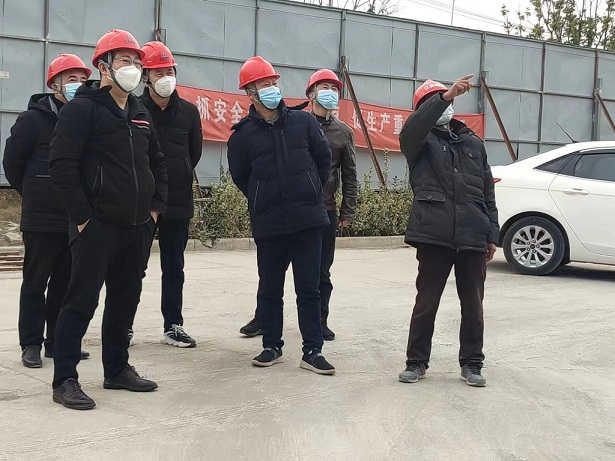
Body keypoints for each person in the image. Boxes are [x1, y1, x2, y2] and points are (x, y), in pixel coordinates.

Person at [48, 29, 167, 410]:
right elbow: (61, 166)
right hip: (96, 225)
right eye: (124, 61)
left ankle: (116, 369)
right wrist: (83, 217)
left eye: (136, 63)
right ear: (103, 67)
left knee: (124, 300)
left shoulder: (140, 112)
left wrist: (154, 211)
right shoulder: (82, 110)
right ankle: (65, 378)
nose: (133, 69)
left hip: (137, 226)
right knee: (80, 302)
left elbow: (157, 162)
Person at [227, 56, 335, 375]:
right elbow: (241, 177)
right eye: (264, 84)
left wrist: (309, 189)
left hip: (307, 221)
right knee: (270, 289)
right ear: (250, 92)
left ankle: (313, 350)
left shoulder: (304, 123)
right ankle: (271, 346)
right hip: (270, 223)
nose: (272, 88)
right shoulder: (242, 136)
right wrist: (264, 197)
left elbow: (323, 160)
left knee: (309, 289)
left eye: (273, 82)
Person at [239, 69, 357, 341]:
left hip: (323, 210)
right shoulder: (294, 123)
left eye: (334, 88)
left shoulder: (343, 132)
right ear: (311, 93)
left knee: (320, 272)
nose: (330, 92)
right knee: (272, 272)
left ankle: (320, 320)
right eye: (324, 87)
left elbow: (349, 173)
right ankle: (262, 318)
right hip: (286, 209)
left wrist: (347, 210)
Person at [397, 75, 499, 387]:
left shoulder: (473, 143)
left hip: (472, 234)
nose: (445, 104)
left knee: (473, 306)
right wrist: (442, 97)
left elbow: (487, 192)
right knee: (426, 304)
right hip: (434, 235)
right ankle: (416, 362)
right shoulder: (418, 142)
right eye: (433, 102)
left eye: (447, 100)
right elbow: (412, 129)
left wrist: (492, 234)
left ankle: (472, 363)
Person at [3, 54, 92, 368]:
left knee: (65, 284)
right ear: (55, 84)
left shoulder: (85, 119)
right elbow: (12, 163)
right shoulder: (32, 120)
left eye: (83, 80)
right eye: (71, 79)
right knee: (35, 283)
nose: (78, 85)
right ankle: (31, 343)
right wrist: (33, 192)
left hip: (74, 216)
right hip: (41, 217)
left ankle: (57, 341)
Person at [132, 41, 202, 348]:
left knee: (174, 267)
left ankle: (173, 325)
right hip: (141, 202)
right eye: (158, 72)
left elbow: (194, 153)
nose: (165, 78)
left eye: (169, 71)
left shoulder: (188, 112)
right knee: (133, 267)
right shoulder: (134, 109)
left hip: (177, 200)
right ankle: (123, 326)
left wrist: (180, 170)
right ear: (146, 77)